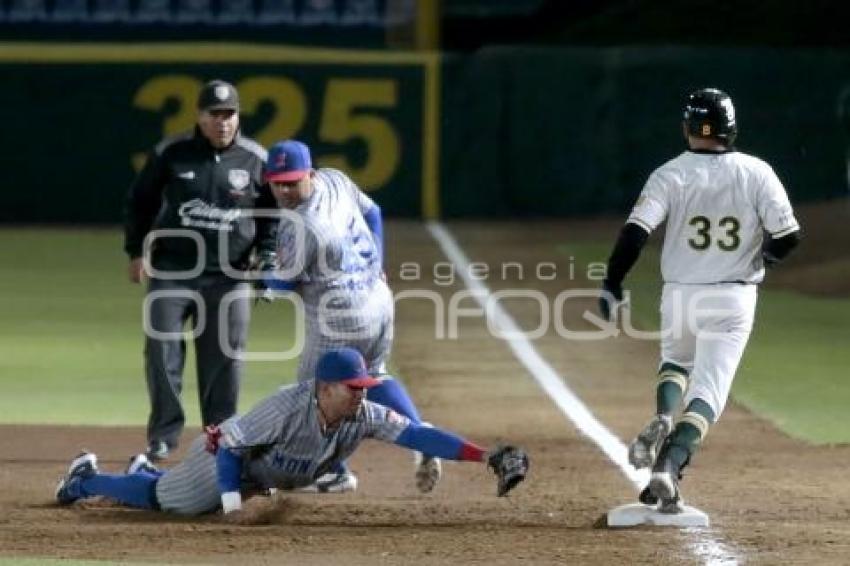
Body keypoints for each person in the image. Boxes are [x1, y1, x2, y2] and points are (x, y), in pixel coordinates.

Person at [598, 87, 801, 513]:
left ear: (687, 127)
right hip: (733, 297)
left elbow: (634, 234)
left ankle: (662, 418)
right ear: (732, 127)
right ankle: (669, 467)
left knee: (675, 364)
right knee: (708, 393)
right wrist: (762, 256)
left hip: (681, 294)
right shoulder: (757, 172)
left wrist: (612, 281)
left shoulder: (669, 173)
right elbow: (788, 237)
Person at [54, 348, 529, 517]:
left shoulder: (361, 415)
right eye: (352, 387)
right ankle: (83, 479)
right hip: (222, 461)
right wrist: (232, 505)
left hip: (257, 474)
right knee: (164, 503)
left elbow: (420, 437)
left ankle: (145, 472)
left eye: (365, 386)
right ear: (324, 388)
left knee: (164, 493)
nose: (362, 394)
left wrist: (484, 455)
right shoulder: (286, 406)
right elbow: (231, 448)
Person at [259, 139, 440, 494]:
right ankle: (422, 437)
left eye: (292, 181)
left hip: (339, 319)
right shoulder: (335, 180)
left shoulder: (301, 224)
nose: (284, 190)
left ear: (309, 175)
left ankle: (331, 471)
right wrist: (377, 261)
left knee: (312, 392)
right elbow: (373, 212)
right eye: (278, 182)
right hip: (377, 302)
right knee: (374, 376)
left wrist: (262, 271)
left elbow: (282, 284)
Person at [123, 79, 277, 461]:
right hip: (173, 269)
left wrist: (267, 254)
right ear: (200, 116)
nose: (223, 122)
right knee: (161, 351)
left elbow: (273, 216)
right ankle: (163, 436)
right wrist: (135, 250)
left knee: (225, 358)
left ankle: (220, 437)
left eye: (229, 114)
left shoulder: (256, 158)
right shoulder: (173, 152)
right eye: (215, 114)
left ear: (238, 116)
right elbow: (140, 200)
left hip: (230, 276)